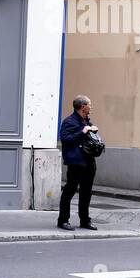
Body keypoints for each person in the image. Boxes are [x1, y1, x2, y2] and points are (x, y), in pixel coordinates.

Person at [58, 95, 99, 231]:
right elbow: (66, 139)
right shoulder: (69, 121)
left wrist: (93, 130)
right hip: (76, 162)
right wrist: (83, 132)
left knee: (86, 192)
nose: (91, 107)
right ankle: (63, 220)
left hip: (88, 162)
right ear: (83, 107)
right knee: (70, 190)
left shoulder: (86, 121)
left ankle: (85, 220)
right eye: (89, 105)